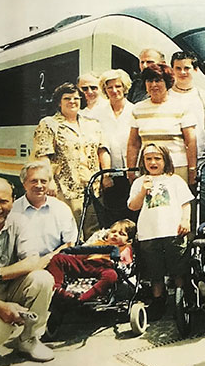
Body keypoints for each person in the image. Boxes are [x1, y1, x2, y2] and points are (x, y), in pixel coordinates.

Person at [0, 177, 55, 363]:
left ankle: (29, 340)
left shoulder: (18, 221)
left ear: (13, 201)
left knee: (42, 279)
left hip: (5, 288)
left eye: (3, 201)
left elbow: (32, 261)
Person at [127, 144, 194, 320]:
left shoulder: (174, 180)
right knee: (155, 270)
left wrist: (185, 220)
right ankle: (158, 300)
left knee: (178, 266)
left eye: (157, 158)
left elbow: (185, 203)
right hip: (149, 233)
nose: (153, 162)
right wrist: (143, 191)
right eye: (148, 158)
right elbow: (133, 206)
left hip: (173, 231)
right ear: (143, 161)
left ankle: (181, 297)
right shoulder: (138, 182)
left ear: (165, 160)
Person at [33, 82, 107, 238]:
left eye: (76, 98)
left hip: (92, 186)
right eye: (67, 98)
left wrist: (105, 176)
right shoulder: (49, 124)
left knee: (93, 231)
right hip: (64, 188)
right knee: (70, 231)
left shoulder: (92, 124)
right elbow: (42, 156)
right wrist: (49, 181)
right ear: (59, 103)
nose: (72, 101)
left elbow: (102, 149)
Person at [127, 62, 197, 186]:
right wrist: (131, 170)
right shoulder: (138, 108)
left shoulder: (182, 107)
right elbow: (133, 143)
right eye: (149, 81)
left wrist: (192, 169)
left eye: (158, 80)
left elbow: (190, 141)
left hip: (177, 168)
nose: (153, 85)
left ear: (167, 82)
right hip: (149, 169)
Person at [170, 51, 205, 220]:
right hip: (174, 163)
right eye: (178, 68)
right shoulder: (166, 97)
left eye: (187, 68)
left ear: (195, 70)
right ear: (172, 70)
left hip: (201, 162)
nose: (182, 72)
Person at [46, 218, 135, 303]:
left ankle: (84, 297)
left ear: (128, 241)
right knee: (58, 258)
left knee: (111, 275)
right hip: (87, 264)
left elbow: (126, 266)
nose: (115, 235)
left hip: (104, 267)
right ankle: (57, 289)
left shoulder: (125, 248)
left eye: (121, 234)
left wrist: (117, 259)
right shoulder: (99, 243)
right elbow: (80, 257)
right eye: (113, 232)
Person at [10, 161, 77, 259]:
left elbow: (70, 243)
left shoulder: (61, 209)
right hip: (21, 266)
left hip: (55, 261)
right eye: (34, 181)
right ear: (24, 184)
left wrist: (48, 258)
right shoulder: (12, 210)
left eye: (43, 181)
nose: (39, 185)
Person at [96, 69, 136, 225]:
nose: (114, 90)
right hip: (111, 175)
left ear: (124, 87)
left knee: (134, 216)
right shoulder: (98, 114)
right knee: (113, 218)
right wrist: (105, 176)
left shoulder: (135, 110)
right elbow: (100, 146)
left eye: (118, 86)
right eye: (109, 87)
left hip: (133, 174)